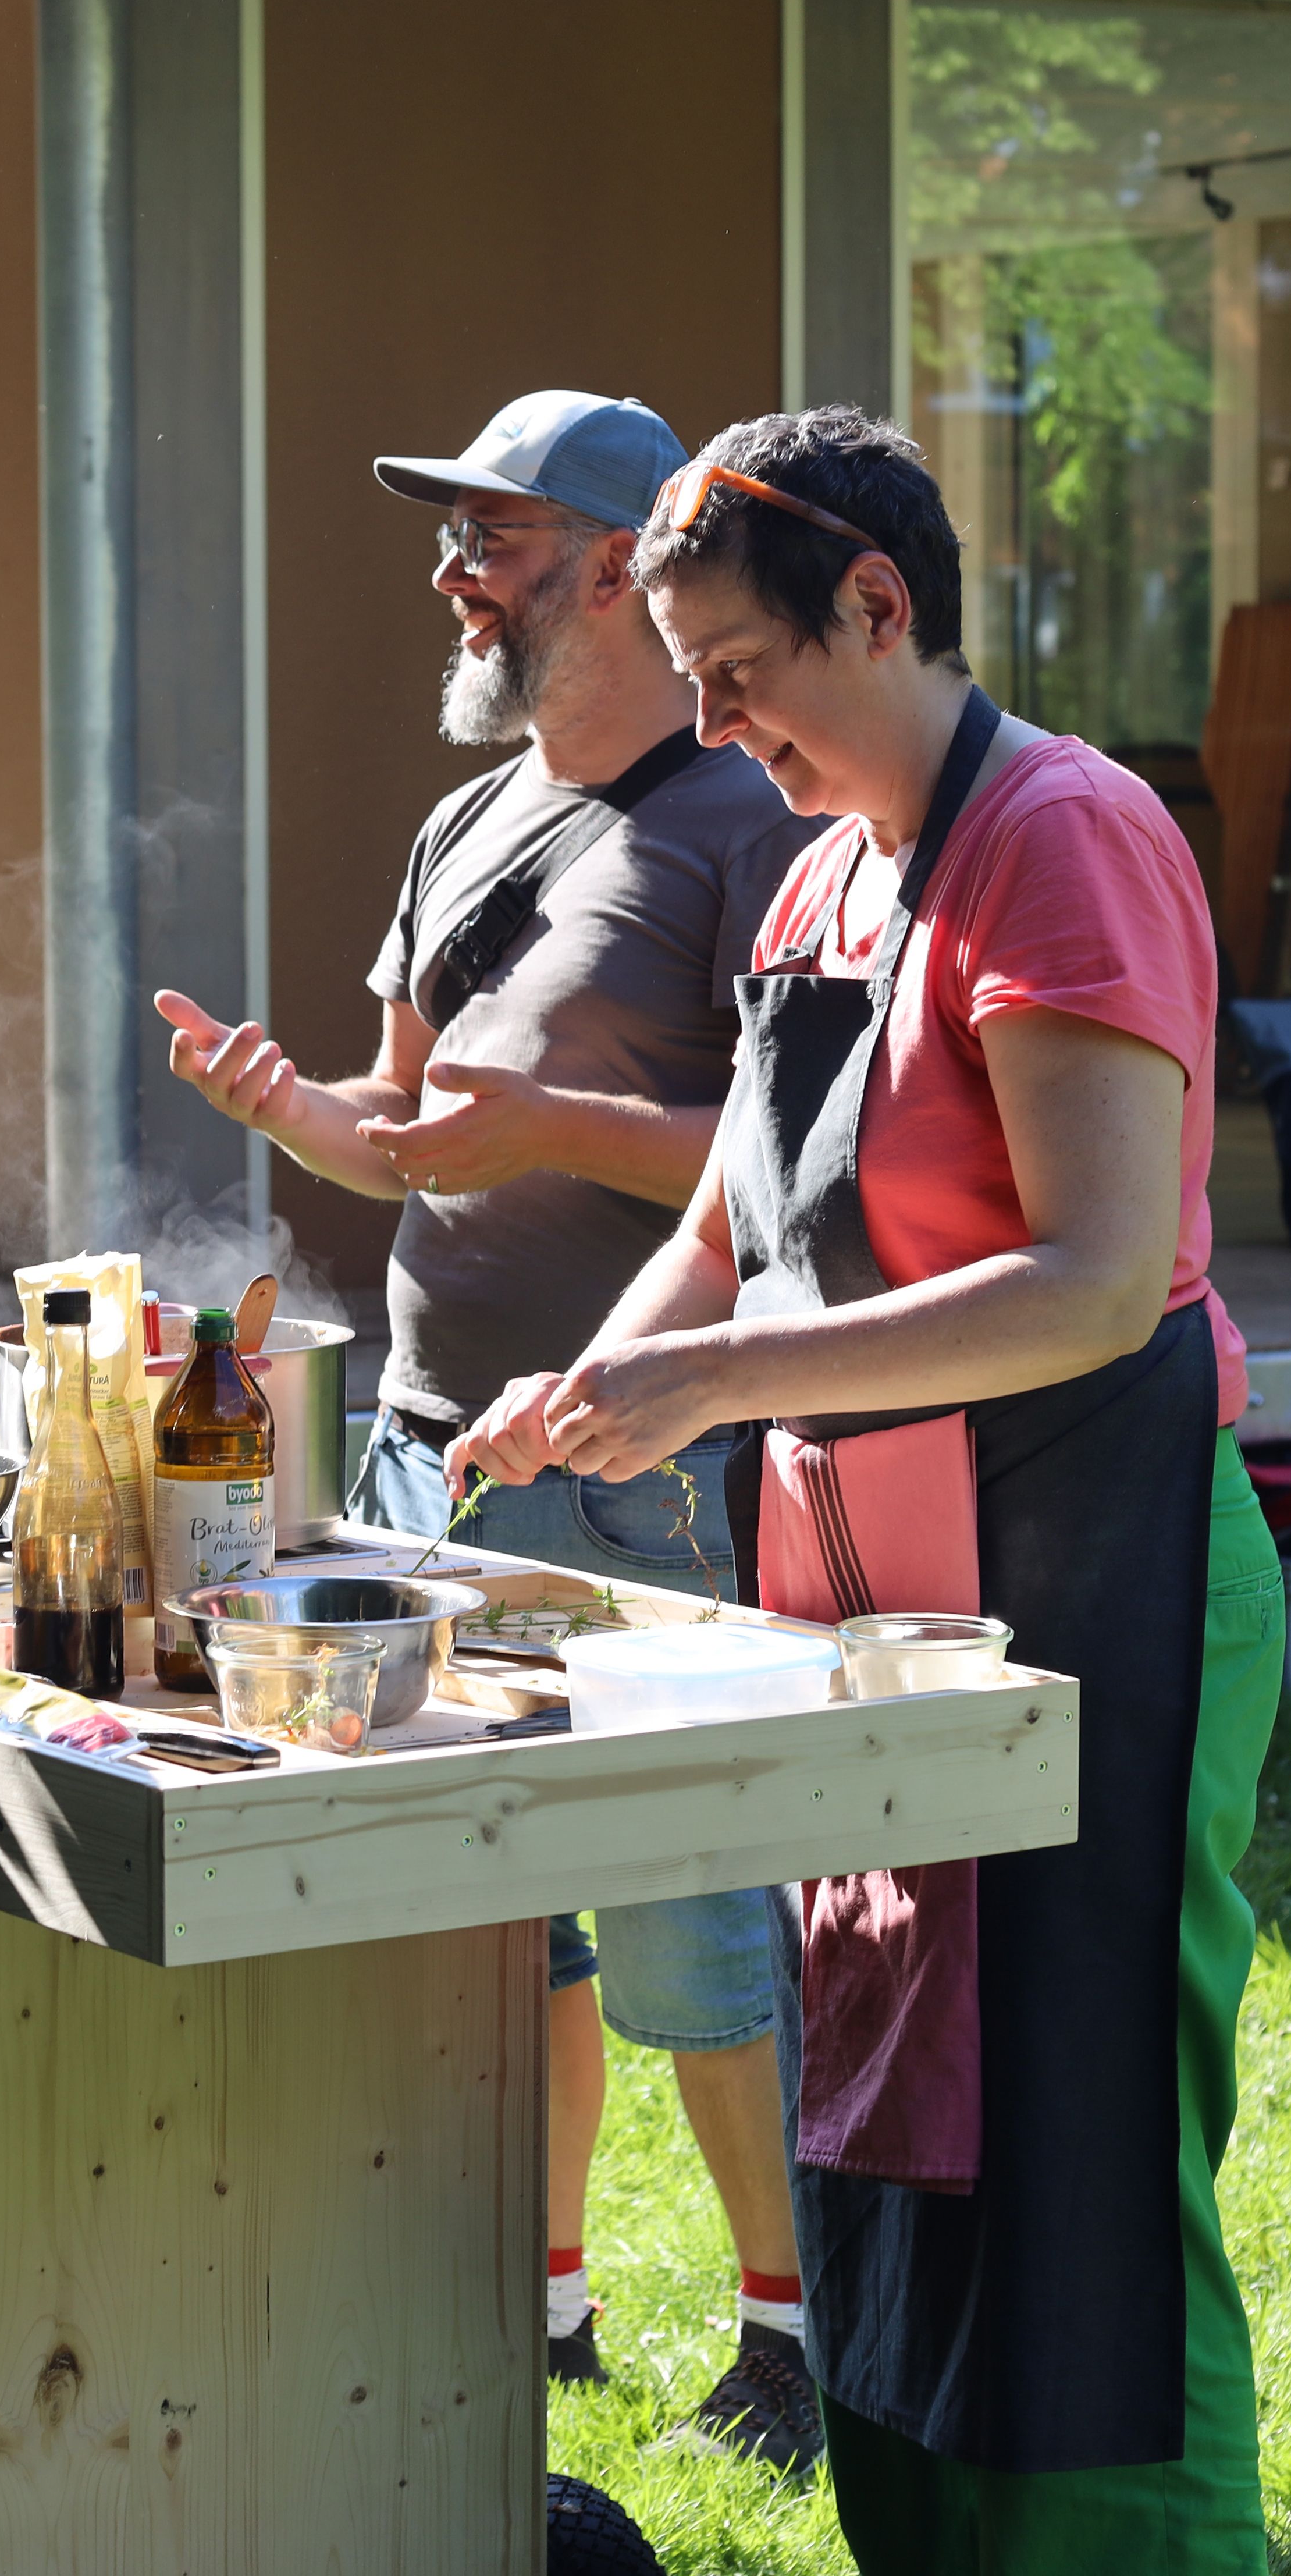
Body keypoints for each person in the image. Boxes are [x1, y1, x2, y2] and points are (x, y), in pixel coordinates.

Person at [451, 404, 1286, 2573]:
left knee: (1074, 2149)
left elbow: (1102, 1280)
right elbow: (738, 1219)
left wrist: (719, 1380)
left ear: (882, 606)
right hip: (872, 1607)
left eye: (740, 671)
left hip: (1100, 1575)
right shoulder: (815, 872)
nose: (718, 723)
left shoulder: (1065, 839)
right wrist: (607, 1377)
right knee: (891, 2127)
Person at [151, 390, 828, 2469]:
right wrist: (295, 1116)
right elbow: (409, 1137)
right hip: (436, 1450)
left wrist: (554, 1127)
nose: (454, 571)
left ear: (620, 563)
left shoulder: (747, 815)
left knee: (691, 1919)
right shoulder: (463, 827)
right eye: (452, 536)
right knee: (488, 1917)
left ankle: (790, 2339)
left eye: (498, 538)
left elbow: (791, 1153)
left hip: (649, 1455)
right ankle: (535, 2312)